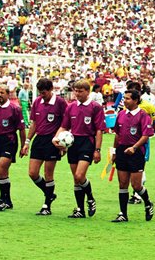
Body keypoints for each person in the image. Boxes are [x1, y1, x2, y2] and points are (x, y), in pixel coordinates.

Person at [53, 80, 106, 218]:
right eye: (75, 91)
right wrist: (56, 138)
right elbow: (64, 126)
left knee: (79, 175)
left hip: (87, 143)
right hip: (73, 143)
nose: (77, 93)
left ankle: (90, 197)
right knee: (75, 179)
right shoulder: (70, 107)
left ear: (88, 92)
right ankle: (80, 210)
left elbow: (99, 130)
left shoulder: (95, 107)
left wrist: (97, 150)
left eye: (80, 91)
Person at [20, 78, 68, 215]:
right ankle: (50, 194)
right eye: (40, 93)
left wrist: (63, 143)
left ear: (51, 89)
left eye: (44, 93)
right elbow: (34, 123)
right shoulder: (37, 102)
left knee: (48, 174)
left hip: (53, 141)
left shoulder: (60, 103)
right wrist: (27, 142)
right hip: (39, 140)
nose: (42, 95)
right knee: (32, 173)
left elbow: (66, 123)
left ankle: (46, 205)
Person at [111, 89, 155, 222]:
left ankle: (148, 203)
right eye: (124, 98)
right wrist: (114, 151)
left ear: (136, 100)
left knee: (136, 185)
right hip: (122, 150)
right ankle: (123, 214)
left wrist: (134, 147)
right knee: (122, 183)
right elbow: (117, 134)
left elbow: (146, 135)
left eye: (128, 98)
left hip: (136, 152)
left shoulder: (143, 115)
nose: (125, 101)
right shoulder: (121, 114)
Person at [0, 85, 26, 211]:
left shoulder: (15, 109)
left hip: (9, 140)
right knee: (1, 172)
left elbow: (21, 129)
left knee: (2, 167)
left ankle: (2, 199)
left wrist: (24, 145)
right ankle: (7, 200)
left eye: (2, 92)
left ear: (8, 94)